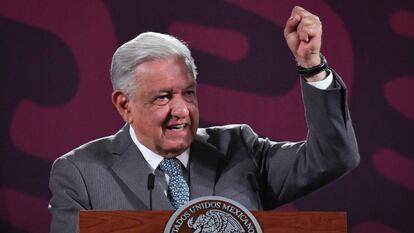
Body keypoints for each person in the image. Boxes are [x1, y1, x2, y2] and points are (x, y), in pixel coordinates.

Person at [48, 6, 359, 233]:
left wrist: (312, 67)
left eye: (189, 93)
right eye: (163, 97)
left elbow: (334, 157)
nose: (182, 110)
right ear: (124, 105)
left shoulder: (240, 149)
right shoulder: (80, 174)